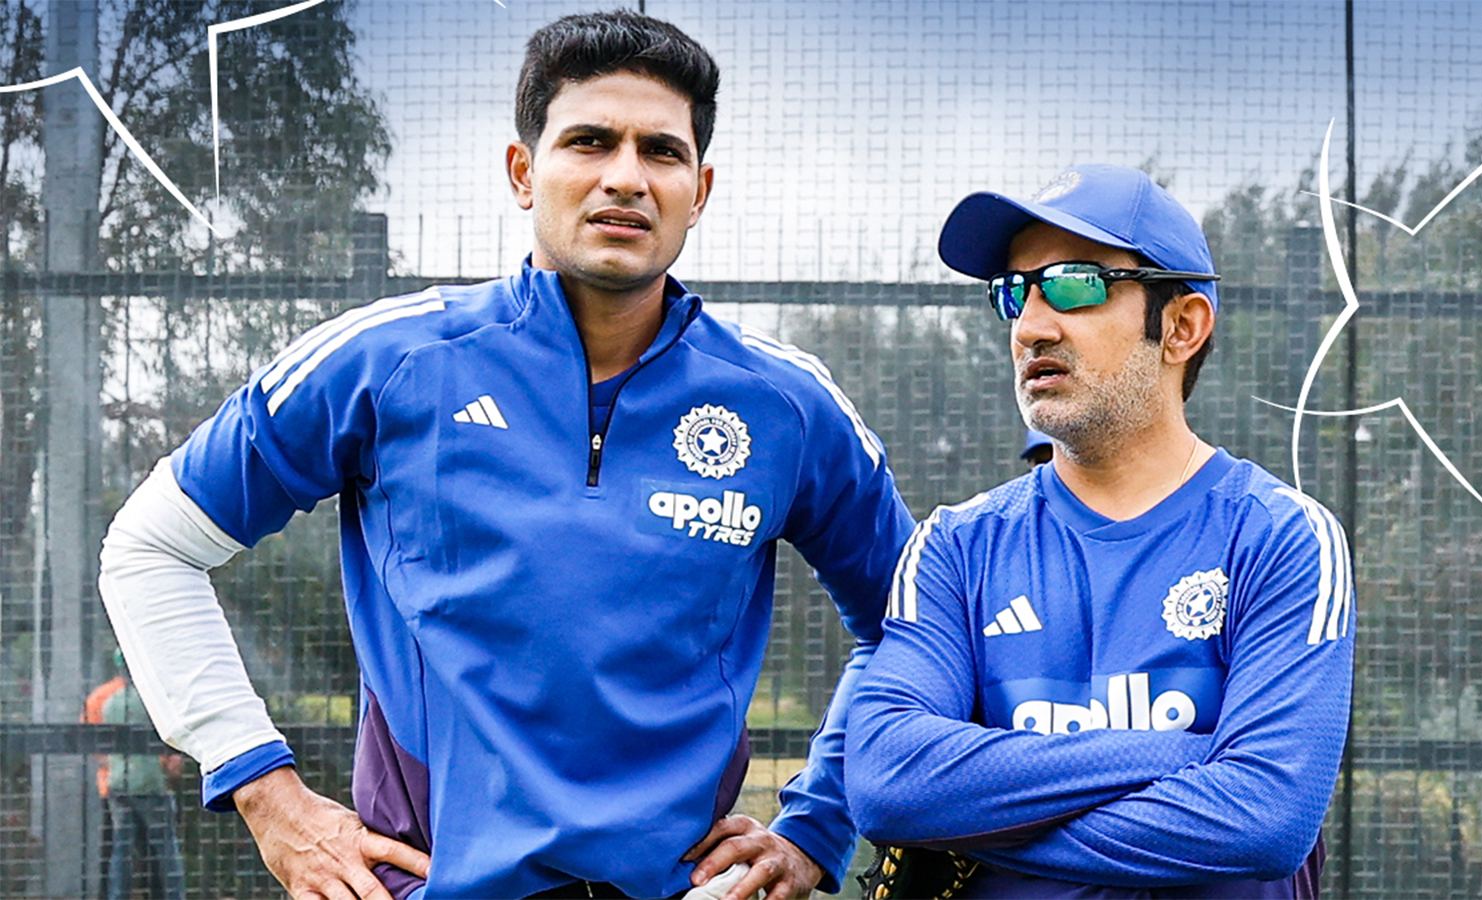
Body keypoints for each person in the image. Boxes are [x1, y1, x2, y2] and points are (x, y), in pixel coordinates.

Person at [97, 11, 912, 899]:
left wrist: (819, 823)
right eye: (590, 142)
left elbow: (917, 632)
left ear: (701, 187)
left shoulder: (788, 404)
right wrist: (265, 791)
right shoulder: (390, 362)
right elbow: (150, 546)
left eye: (662, 152)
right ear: (525, 172)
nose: (626, 178)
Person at [844, 164, 1354, 897]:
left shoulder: (1282, 538)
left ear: (1181, 327)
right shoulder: (956, 547)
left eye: (1076, 284)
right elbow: (887, 780)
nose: (1031, 325)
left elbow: (1264, 817)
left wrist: (983, 811)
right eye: (1015, 292)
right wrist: (1186, 757)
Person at [85, 650, 187, 900]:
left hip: (117, 784)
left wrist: (114, 765)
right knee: (166, 850)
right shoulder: (154, 699)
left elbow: (91, 741)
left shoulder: (107, 699)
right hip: (151, 784)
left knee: (120, 851)